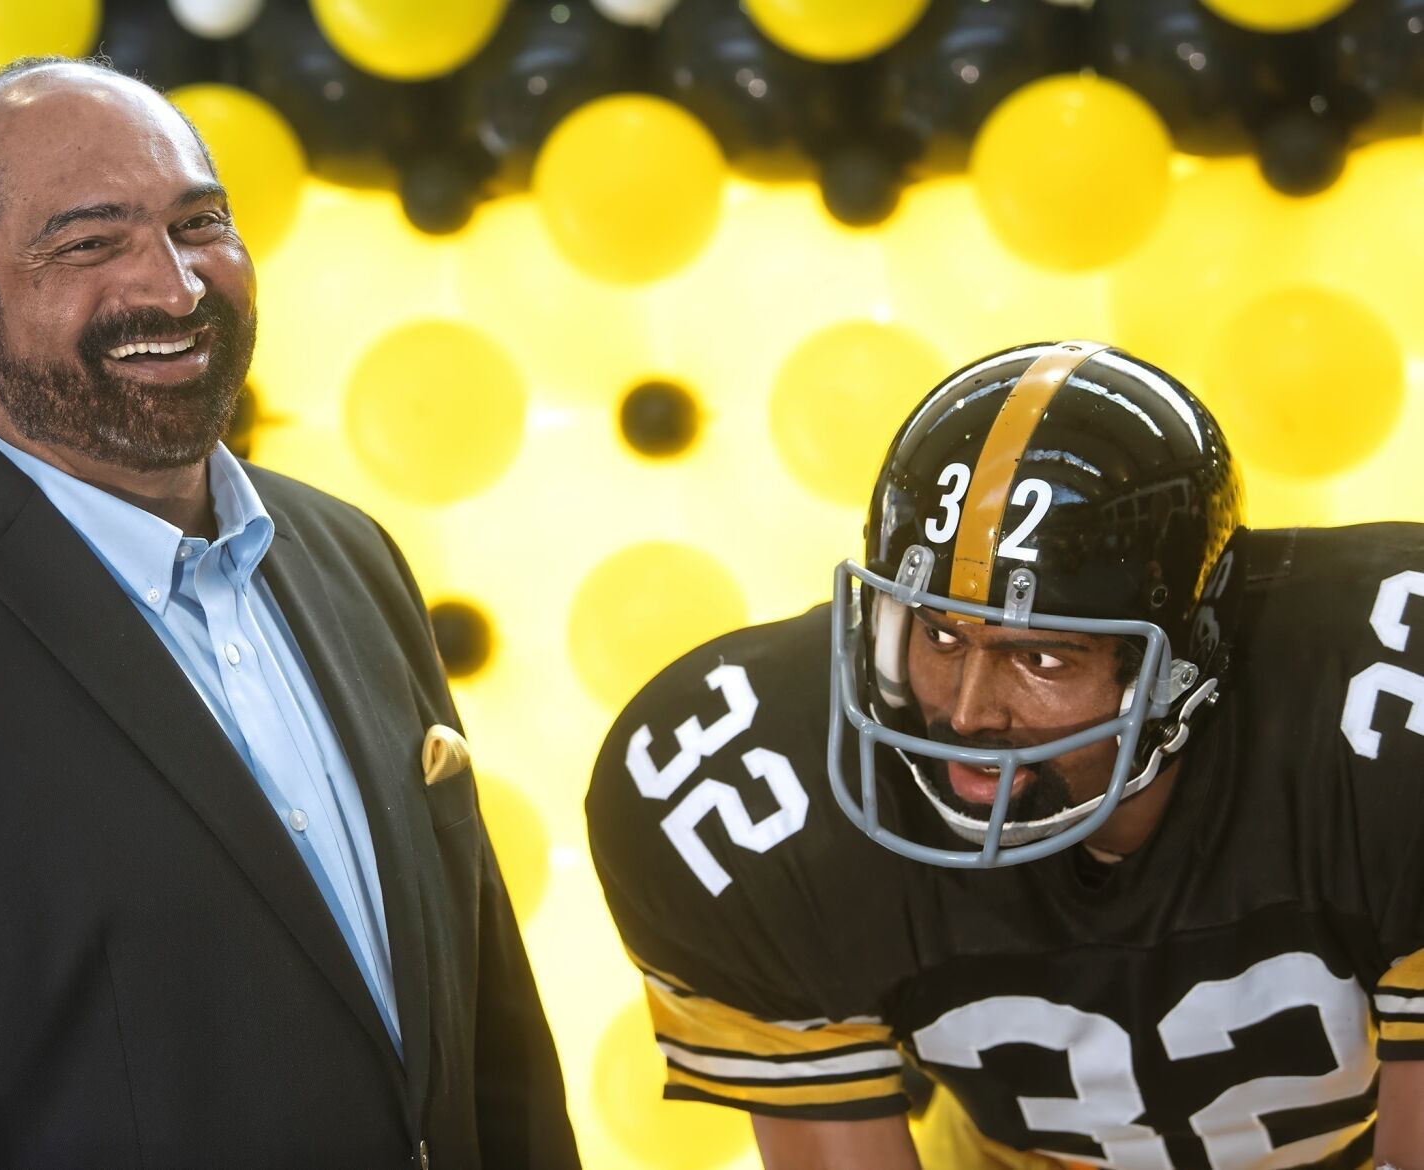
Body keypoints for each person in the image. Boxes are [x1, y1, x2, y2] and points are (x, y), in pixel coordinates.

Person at [0, 57, 577, 1170]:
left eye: (200, 223)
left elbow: (491, 1042)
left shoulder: (351, 557)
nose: (174, 286)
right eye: (88, 242)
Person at [586, 340, 1424, 1169]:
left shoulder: (1379, 730)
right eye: (939, 634)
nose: (966, 711)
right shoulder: (763, 785)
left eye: (1044, 658)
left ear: (1184, 659)